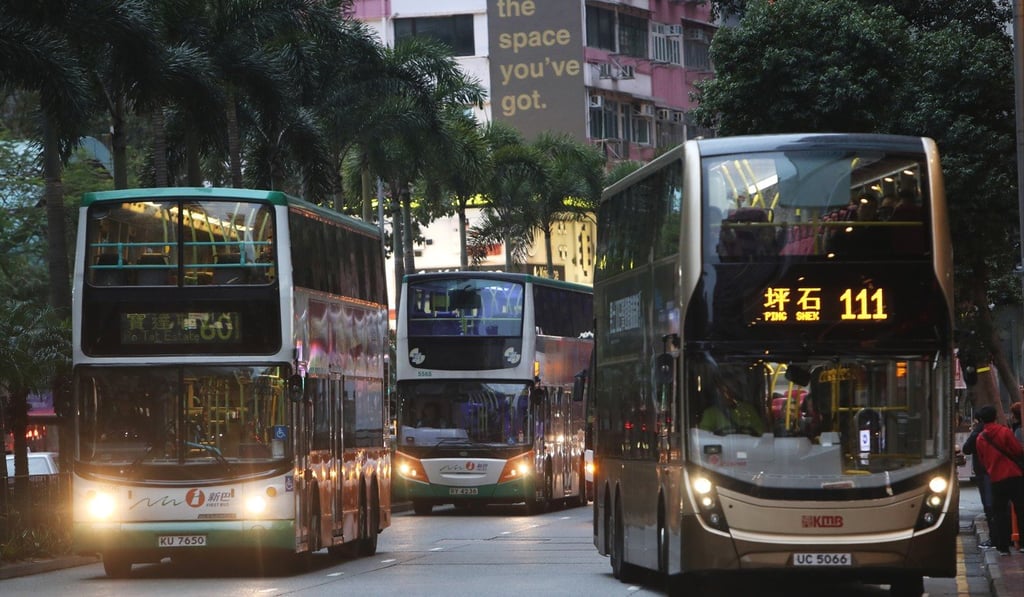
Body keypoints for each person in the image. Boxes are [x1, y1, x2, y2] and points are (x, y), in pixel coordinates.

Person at [974, 405, 1024, 555]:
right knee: (1021, 509)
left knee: (999, 513)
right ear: (995, 416)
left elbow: (982, 460)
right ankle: (1022, 543)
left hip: (996, 478)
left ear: (982, 420)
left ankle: (1002, 547)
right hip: (1014, 475)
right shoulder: (1005, 432)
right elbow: (1017, 450)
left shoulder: (980, 438)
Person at [962, 414, 996, 548]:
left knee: (989, 506)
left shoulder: (979, 433)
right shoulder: (1003, 430)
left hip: (985, 472)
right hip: (999, 472)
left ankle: (995, 539)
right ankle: (1003, 539)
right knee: (999, 506)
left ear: (979, 419)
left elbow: (966, 448)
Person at [699, 376, 765, 436]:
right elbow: (704, 435)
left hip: (749, 444)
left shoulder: (748, 409)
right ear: (718, 392)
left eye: (732, 388)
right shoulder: (710, 413)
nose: (728, 392)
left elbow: (760, 431)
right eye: (725, 389)